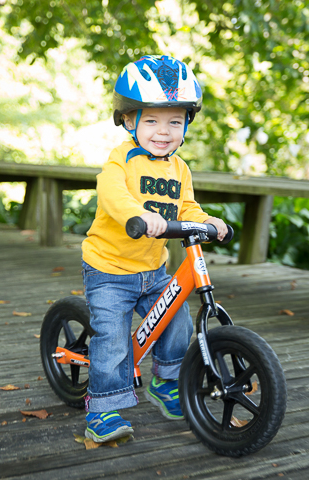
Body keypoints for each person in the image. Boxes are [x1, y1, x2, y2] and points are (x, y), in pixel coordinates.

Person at [79, 55, 228, 442]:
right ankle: (104, 408)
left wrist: (207, 221)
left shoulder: (179, 168)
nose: (164, 132)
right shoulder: (122, 160)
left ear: (186, 124)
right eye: (152, 121)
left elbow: (187, 206)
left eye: (174, 122)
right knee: (112, 339)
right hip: (110, 269)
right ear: (129, 120)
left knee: (176, 318)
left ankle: (166, 382)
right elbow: (113, 196)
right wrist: (140, 215)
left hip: (152, 269)